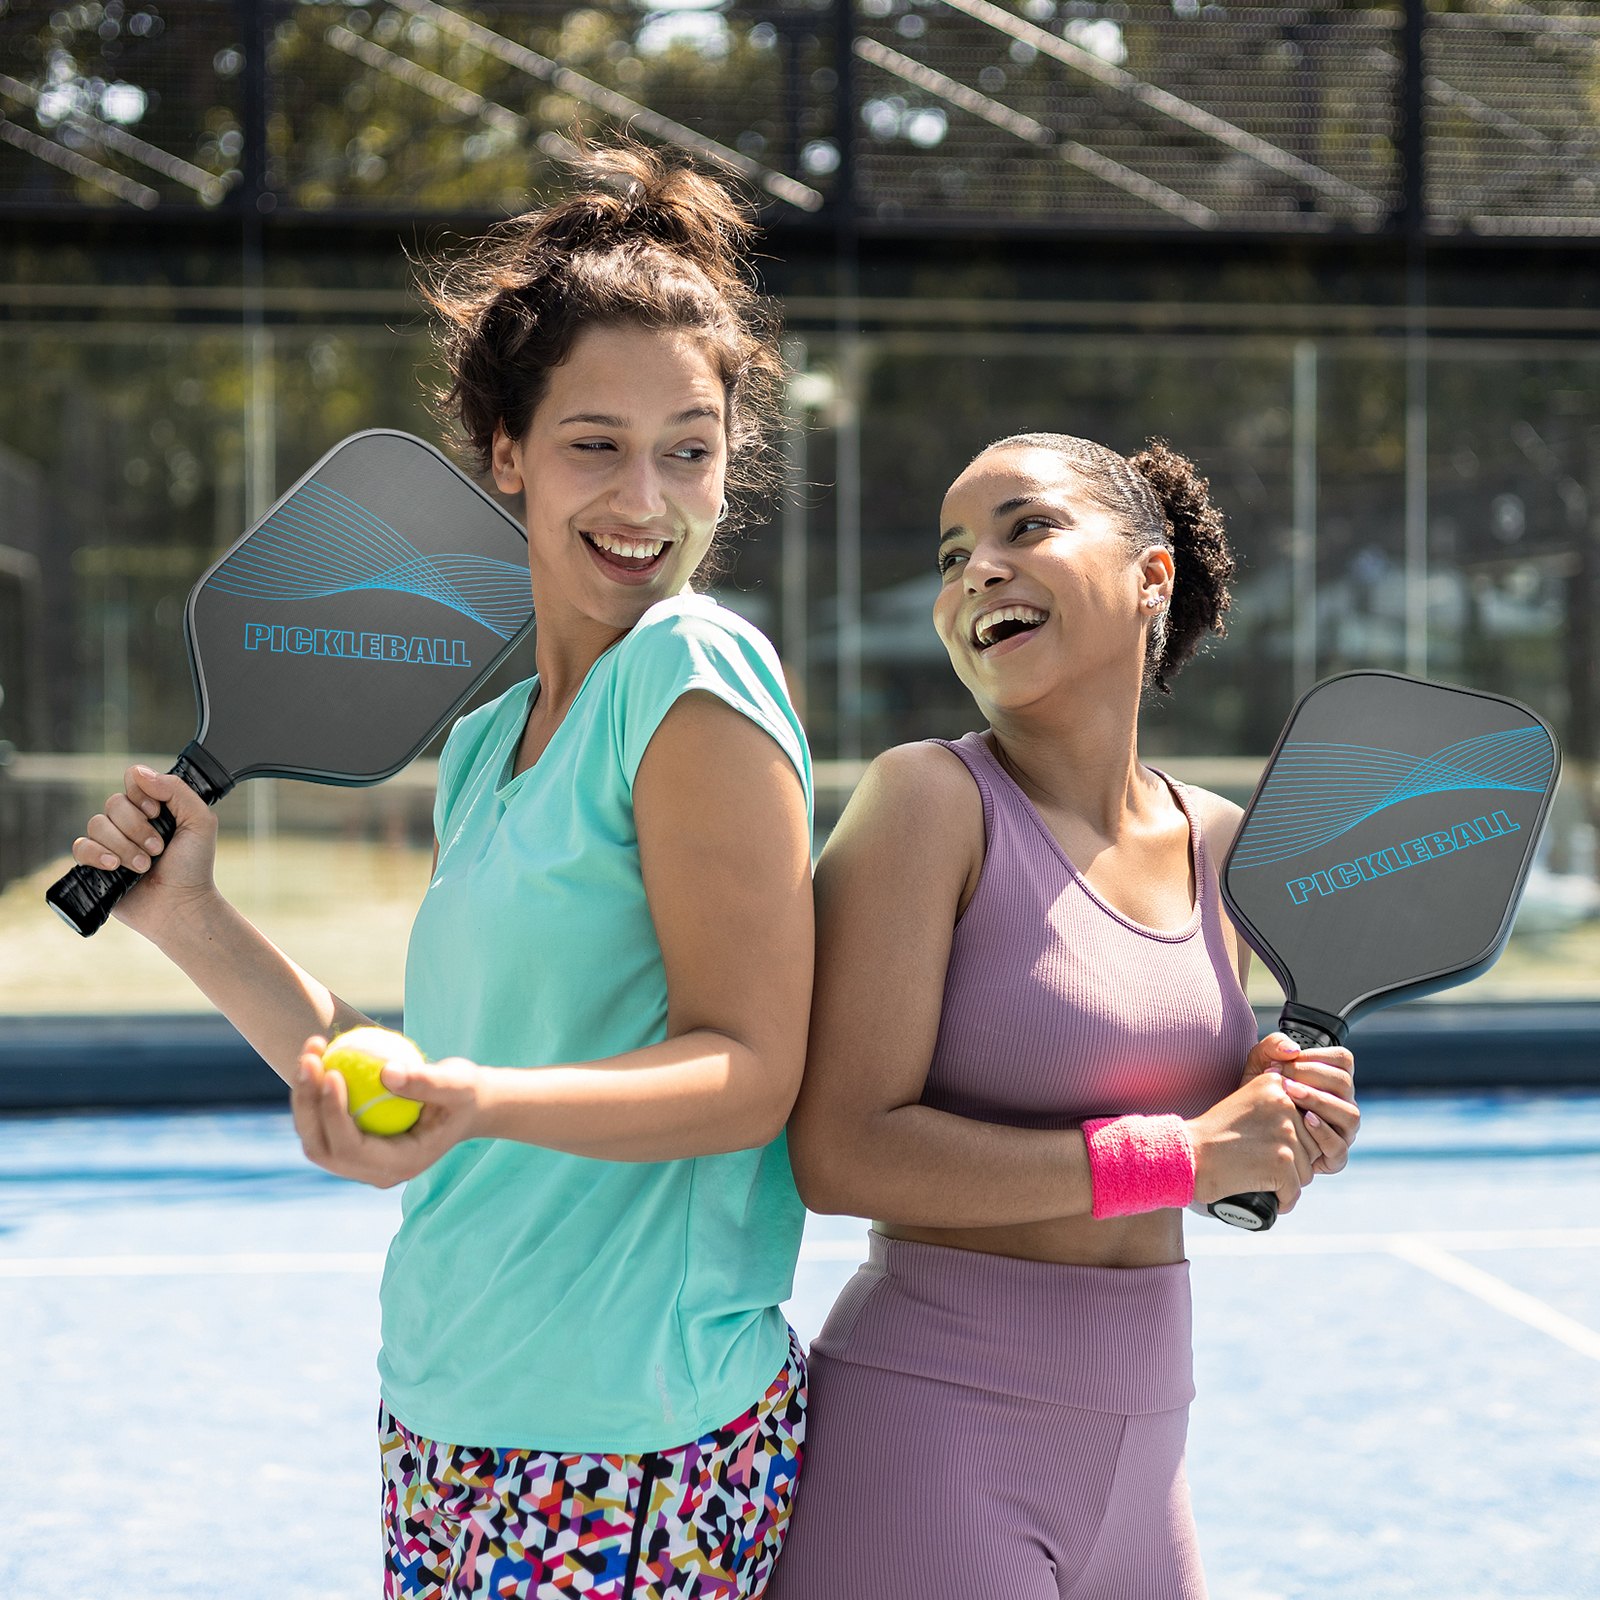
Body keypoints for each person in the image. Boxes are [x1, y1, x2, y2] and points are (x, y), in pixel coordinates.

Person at [72, 145, 815, 1600]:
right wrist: (194, 918)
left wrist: (477, 1100)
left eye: (691, 448)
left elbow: (751, 1070)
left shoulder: (695, 669)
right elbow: (433, 1076)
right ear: (508, 456)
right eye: (596, 443)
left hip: (636, 1441)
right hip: (450, 1415)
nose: (648, 499)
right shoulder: (484, 744)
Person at [764, 433, 1360, 1600]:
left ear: (1152, 577)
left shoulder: (1227, 845)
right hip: (935, 1435)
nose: (974, 570)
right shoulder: (925, 799)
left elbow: (1214, 1168)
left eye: (1023, 527)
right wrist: (1183, 1154)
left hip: (1147, 1442)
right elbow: (837, 1151)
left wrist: (1280, 1138)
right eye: (952, 554)